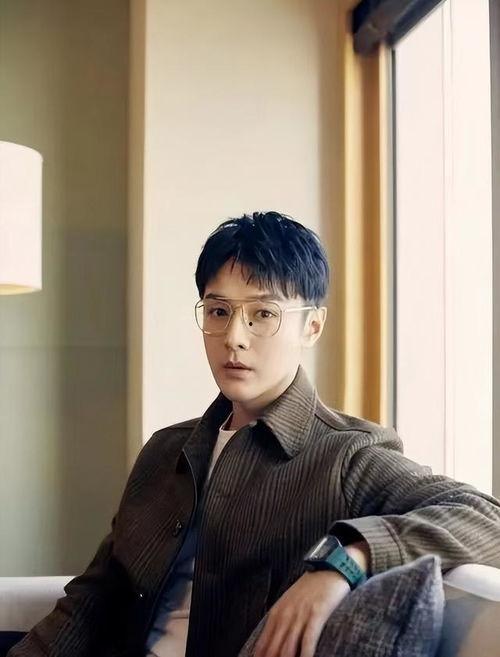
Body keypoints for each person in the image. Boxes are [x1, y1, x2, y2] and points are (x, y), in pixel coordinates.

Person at [9, 211, 500, 657]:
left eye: (263, 314)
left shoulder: (348, 455)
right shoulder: (164, 450)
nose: (234, 337)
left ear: (312, 327)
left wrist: (344, 562)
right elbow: (97, 595)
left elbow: (487, 519)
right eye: (218, 311)